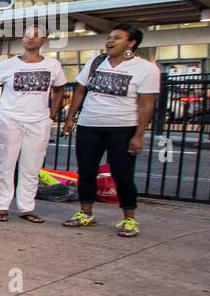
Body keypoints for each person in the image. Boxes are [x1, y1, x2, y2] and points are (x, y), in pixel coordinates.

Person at [62, 24, 160, 236]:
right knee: (86, 171)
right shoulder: (96, 62)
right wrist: (70, 119)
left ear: (131, 43)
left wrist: (138, 135)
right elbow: (80, 90)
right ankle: (85, 213)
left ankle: (129, 220)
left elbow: (146, 104)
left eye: (116, 38)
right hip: (89, 125)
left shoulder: (146, 69)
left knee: (122, 174)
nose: (110, 41)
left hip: (122, 128)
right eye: (109, 37)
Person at [0, 23, 66, 223]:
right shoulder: (9, 64)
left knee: (31, 166)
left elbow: (60, 89)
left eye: (36, 35)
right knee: (4, 165)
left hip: (38, 122)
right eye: (27, 35)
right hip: (9, 120)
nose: (31, 38)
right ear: (22, 39)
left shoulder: (53, 65)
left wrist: (51, 114)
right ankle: (2, 206)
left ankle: (26, 207)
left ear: (44, 39)